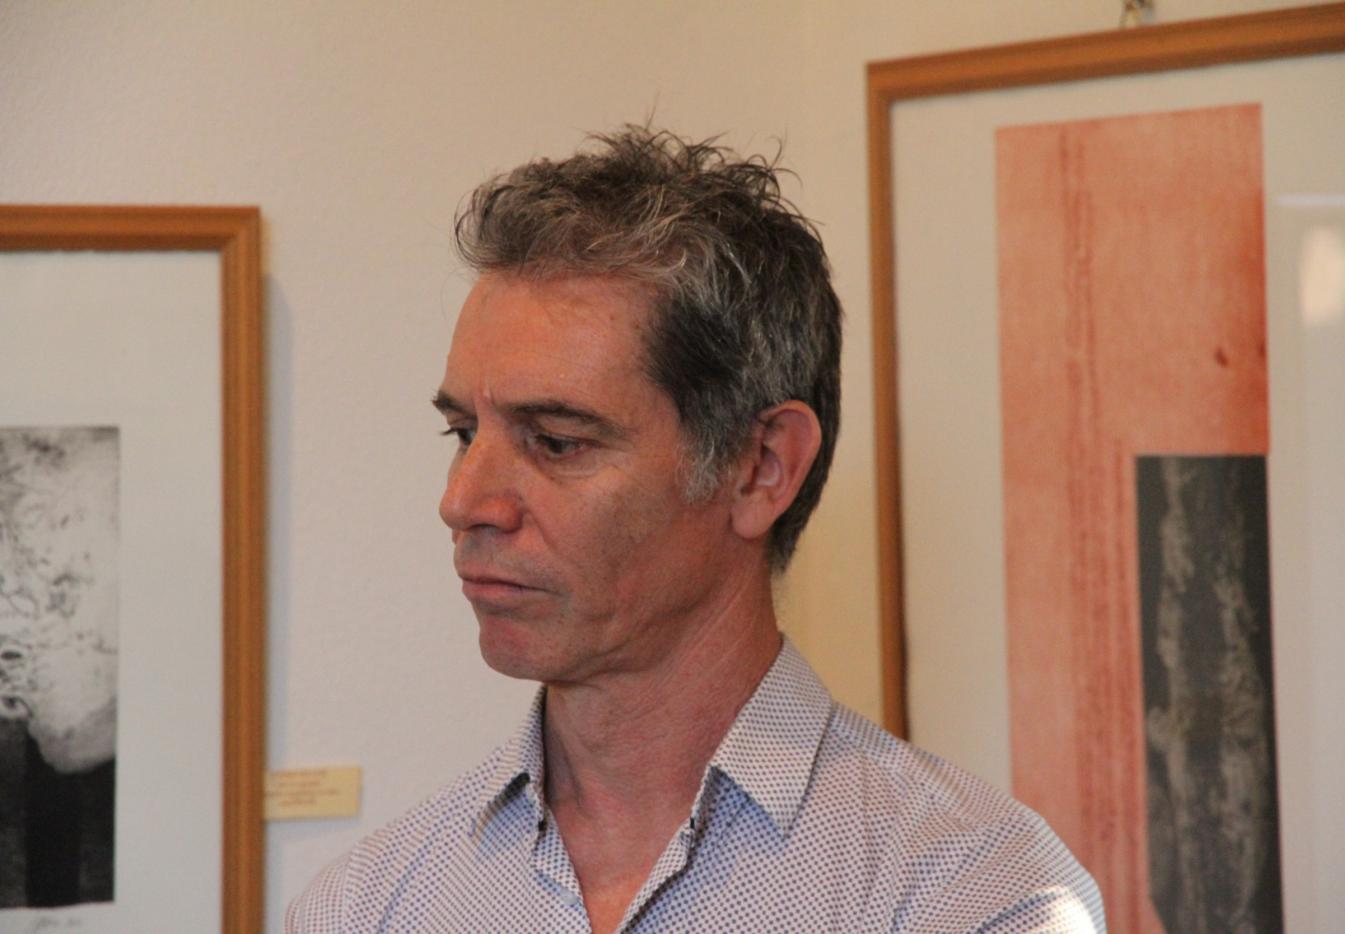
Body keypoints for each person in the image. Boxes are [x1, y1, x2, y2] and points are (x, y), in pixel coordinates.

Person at [286, 127, 1105, 933]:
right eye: (464, 433)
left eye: (558, 442)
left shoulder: (974, 897)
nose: (464, 500)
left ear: (761, 467)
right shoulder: (362, 906)